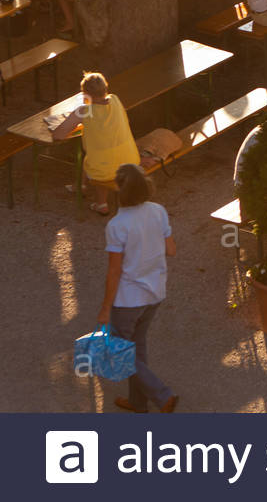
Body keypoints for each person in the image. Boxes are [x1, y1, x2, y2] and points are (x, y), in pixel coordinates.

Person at [96, 164, 178, 413]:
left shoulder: (117, 225)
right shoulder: (158, 211)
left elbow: (114, 271)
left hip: (128, 299)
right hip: (155, 293)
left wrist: (105, 308)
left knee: (121, 350)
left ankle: (162, 395)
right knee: (137, 347)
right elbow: (171, 249)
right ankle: (137, 402)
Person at [52, 72, 140, 216]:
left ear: (85, 93)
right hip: (131, 160)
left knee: (96, 161)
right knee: (97, 156)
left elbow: (58, 135)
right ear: (105, 88)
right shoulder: (115, 100)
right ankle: (80, 185)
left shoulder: (84, 111)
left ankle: (101, 204)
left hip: (104, 167)